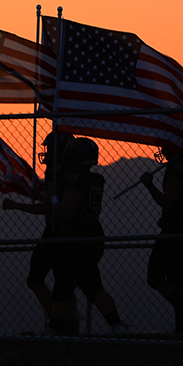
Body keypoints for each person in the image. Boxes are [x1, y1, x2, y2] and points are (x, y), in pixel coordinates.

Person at [48, 137, 128, 335]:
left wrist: (54, 199)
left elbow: (65, 212)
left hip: (78, 237)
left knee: (74, 285)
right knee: (79, 285)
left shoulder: (76, 179)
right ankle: (115, 325)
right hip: (91, 233)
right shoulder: (94, 179)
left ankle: (56, 330)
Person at [2, 131, 75, 330]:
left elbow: (47, 206)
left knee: (37, 278)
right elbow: (51, 198)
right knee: (64, 283)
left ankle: (59, 323)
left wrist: (16, 205)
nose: (47, 152)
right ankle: (69, 324)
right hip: (69, 232)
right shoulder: (73, 171)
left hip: (56, 232)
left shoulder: (57, 170)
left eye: (50, 148)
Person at [140, 144, 183, 333]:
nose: (163, 149)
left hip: (176, 228)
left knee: (155, 276)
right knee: (177, 279)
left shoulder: (179, 167)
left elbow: (168, 200)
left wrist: (149, 184)